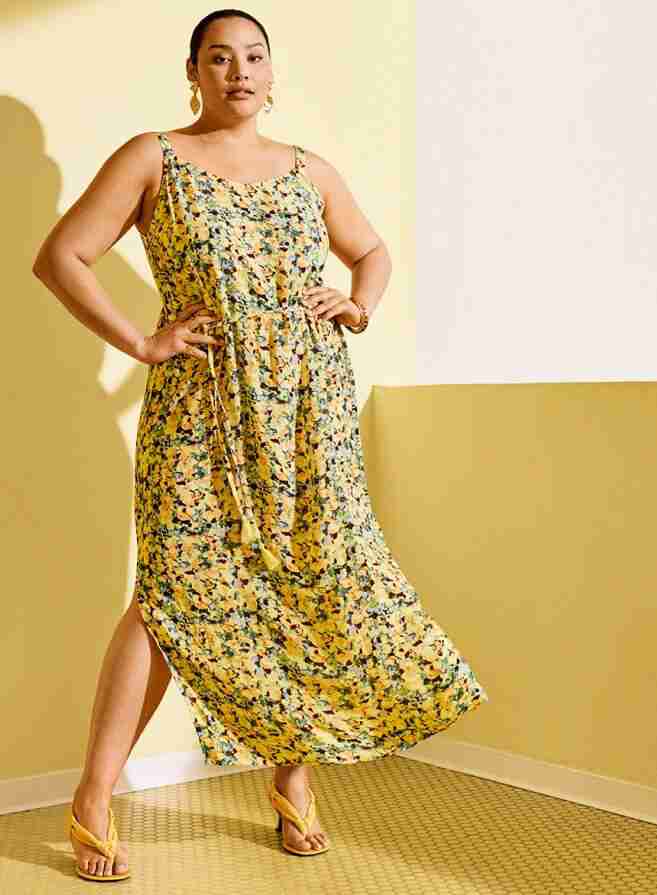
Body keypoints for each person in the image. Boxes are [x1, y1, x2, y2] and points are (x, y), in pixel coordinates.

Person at [32, 7, 489, 882]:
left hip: (310, 411)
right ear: (193, 72)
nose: (237, 71)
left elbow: (371, 252)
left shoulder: (308, 170)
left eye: (252, 57)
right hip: (200, 408)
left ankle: (292, 780)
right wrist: (142, 342)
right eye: (218, 57)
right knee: (169, 596)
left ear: (272, 73)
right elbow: (62, 256)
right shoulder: (152, 156)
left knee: (304, 581)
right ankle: (94, 794)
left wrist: (358, 304)